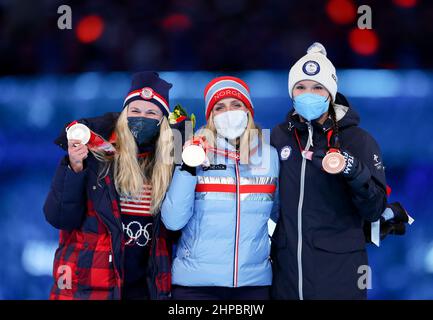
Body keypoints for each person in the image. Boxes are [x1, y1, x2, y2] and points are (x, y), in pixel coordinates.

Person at [44, 71, 180, 300]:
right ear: (124, 114)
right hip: (90, 287)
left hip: (146, 289)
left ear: (162, 122)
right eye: (135, 110)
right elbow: (59, 217)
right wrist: (74, 168)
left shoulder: (169, 164)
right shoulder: (95, 157)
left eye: (151, 112)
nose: (141, 117)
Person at [270, 43, 390, 299]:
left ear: (331, 92)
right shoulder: (279, 137)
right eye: (300, 87)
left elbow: (375, 209)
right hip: (287, 278)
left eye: (317, 87)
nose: (307, 94)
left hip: (340, 278)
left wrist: (353, 170)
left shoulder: (359, 140)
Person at [161, 76, 279, 300]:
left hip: (253, 285)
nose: (229, 112)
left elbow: (281, 215)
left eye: (237, 105)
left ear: (248, 111)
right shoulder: (192, 149)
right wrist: (188, 164)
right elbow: (173, 219)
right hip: (196, 286)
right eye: (220, 107)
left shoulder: (269, 156)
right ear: (211, 116)